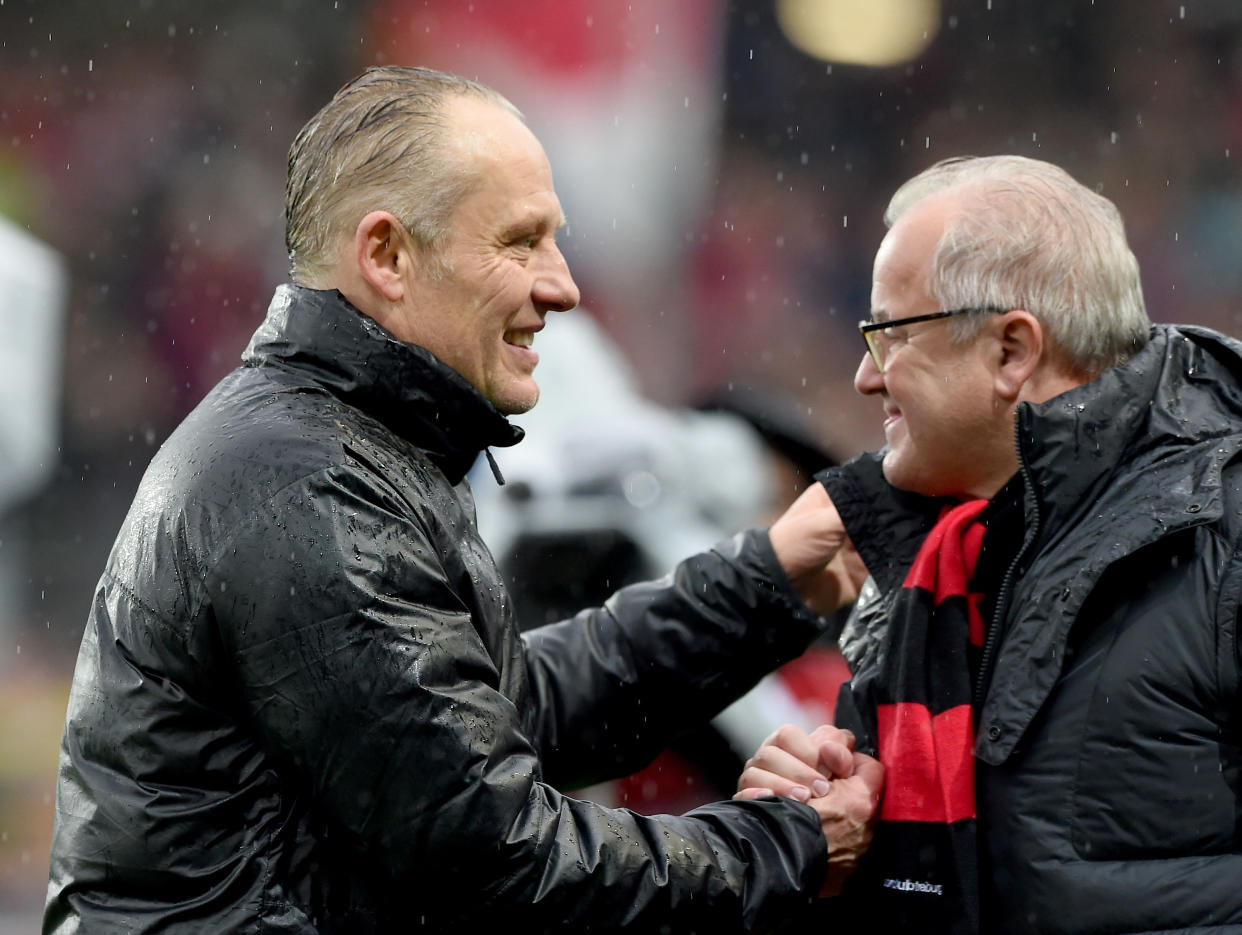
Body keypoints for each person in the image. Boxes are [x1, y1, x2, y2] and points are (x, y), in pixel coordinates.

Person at [44, 66, 884, 933]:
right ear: (387, 256)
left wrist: (769, 584)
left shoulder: (344, 443)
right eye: (520, 242)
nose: (560, 285)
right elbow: (497, 856)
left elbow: (499, 713)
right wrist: (785, 843)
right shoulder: (310, 483)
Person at [737, 153, 1242, 933]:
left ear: (1012, 350)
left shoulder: (1227, 528)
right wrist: (808, 834)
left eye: (889, 335)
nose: (869, 378)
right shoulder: (931, 554)